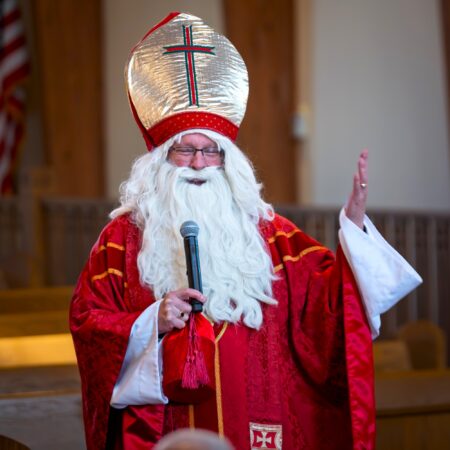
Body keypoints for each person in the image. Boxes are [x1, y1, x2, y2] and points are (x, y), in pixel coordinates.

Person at [70, 12, 422, 450]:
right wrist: (149, 322)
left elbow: (331, 308)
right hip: (167, 428)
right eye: (185, 150)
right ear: (160, 159)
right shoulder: (121, 241)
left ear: (228, 160)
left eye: (211, 151)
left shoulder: (273, 236)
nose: (199, 164)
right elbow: (89, 324)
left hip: (259, 428)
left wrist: (352, 229)